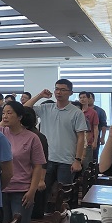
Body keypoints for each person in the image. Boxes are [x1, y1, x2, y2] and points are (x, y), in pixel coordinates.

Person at [24, 80, 87, 212]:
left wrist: (78, 160)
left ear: (70, 93)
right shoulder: (47, 108)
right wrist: (40, 95)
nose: (59, 92)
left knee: (64, 196)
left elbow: (81, 137)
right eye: (57, 89)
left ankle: (65, 219)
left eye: (63, 90)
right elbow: (25, 108)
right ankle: (43, 218)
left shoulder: (76, 112)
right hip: (45, 159)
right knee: (41, 193)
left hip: (66, 160)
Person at [0, 101, 45, 223]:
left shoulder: (32, 137)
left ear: (20, 117)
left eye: (9, 113)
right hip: (1, 189)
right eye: (3, 113)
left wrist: (32, 191)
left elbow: (38, 166)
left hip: (22, 190)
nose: (5, 116)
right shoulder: (0, 133)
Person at [78, 91, 99, 170]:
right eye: (80, 98)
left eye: (84, 97)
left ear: (88, 99)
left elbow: (95, 127)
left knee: (86, 164)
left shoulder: (93, 112)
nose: (82, 99)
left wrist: (95, 141)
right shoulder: (76, 111)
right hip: (76, 142)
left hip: (88, 141)